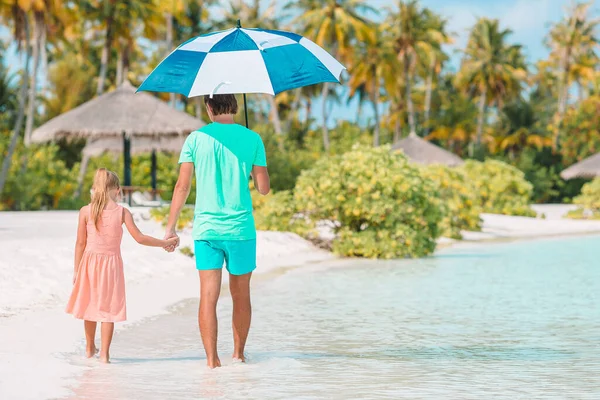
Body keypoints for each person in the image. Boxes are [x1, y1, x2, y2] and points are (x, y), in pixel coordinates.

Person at [164, 94, 270, 369]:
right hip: (240, 230)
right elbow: (263, 188)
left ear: (209, 107)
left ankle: (212, 361)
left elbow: (182, 187)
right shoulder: (253, 138)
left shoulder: (195, 139)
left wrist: (170, 227)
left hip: (206, 230)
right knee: (241, 294)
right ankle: (239, 355)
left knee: (208, 296)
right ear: (234, 106)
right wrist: (248, 165)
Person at [66, 168, 178, 363]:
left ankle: (89, 348)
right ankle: (105, 355)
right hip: (111, 266)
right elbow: (140, 238)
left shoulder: (85, 211)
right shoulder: (122, 212)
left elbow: (80, 243)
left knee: (90, 307)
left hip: (89, 264)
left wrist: (76, 270)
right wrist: (164, 243)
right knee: (107, 310)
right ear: (117, 190)